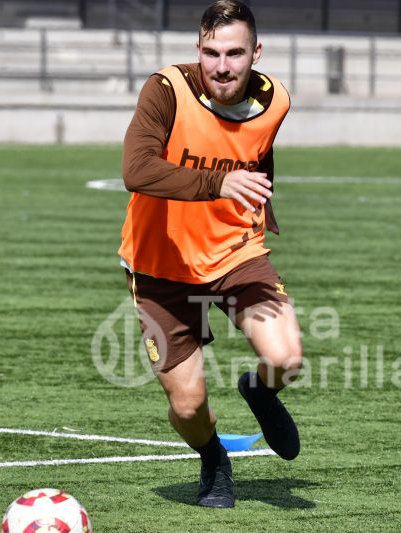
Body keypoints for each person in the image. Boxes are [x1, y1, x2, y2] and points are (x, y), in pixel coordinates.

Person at [118, 0, 302, 508]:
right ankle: (212, 457)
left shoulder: (277, 100)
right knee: (190, 405)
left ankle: (259, 391)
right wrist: (219, 182)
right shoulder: (166, 92)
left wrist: (265, 201)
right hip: (160, 265)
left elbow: (257, 149)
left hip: (235, 252)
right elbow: (137, 170)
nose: (222, 65)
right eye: (211, 52)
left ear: (256, 53)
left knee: (286, 358)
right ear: (198, 49)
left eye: (235, 53)